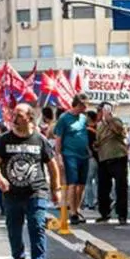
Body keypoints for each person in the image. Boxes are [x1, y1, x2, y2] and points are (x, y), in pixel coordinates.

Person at [0, 103, 61, 259]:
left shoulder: (40, 139)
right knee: (14, 229)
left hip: (36, 191)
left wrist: (56, 188)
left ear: (29, 118)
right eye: (14, 114)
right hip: (12, 194)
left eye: (19, 115)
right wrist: (0, 179)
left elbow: (52, 165)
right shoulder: (5, 139)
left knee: (37, 226)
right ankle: (18, 258)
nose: (14, 118)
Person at [53, 94, 91, 225]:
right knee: (72, 184)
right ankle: (73, 212)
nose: (86, 108)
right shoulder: (64, 118)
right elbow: (58, 139)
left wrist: (88, 149)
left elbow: (83, 134)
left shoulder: (83, 118)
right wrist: (59, 156)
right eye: (84, 105)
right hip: (70, 154)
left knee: (81, 185)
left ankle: (77, 208)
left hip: (84, 155)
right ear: (78, 105)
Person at [94, 103, 129, 225]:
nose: (99, 113)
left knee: (121, 187)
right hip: (103, 158)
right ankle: (104, 213)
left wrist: (109, 119)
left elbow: (119, 131)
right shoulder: (99, 126)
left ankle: (122, 215)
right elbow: (98, 141)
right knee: (102, 188)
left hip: (118, 157)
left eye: (101, 110)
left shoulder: (116, 121)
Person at [83, 110, 99, 212]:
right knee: (98, 181)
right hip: (100, 157)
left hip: (91, 158)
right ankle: (99, 200)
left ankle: (90, 203)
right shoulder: (100, 128)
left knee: (88, 181)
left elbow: (85, 143)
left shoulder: (86, 130)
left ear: (89, 117)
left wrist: (88, 152)